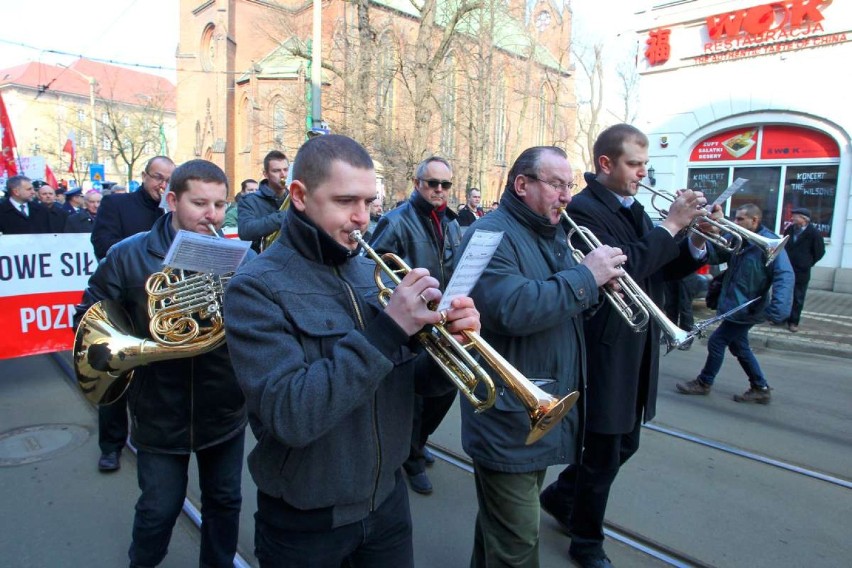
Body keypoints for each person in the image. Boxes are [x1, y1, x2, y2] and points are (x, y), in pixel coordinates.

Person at [223, 134, 480, 567]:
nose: (362, 218)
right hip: (306, 520)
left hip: (387, 503)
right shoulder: (255, 286)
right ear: (300, 196)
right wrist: (388, 330)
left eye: (368, 201)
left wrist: (448, 350)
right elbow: (291, 415)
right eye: (345, 202)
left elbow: (408, 382)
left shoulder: (370, 272)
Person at [539, 124, 711, 568]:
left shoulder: (632, 209)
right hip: (605, 348)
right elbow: (624, 270)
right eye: (634, 164)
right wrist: (671, 224)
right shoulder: (583, 210)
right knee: (603, 450)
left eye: (645, 165)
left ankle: (560, 495)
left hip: (640, 344)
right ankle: (586, 542)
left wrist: (692, 237)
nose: (642, 173)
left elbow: (662, 268)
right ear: (605, 164)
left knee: (626, 443)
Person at [73, 159, 249, 567]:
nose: (213, 216)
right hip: (158, 408)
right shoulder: (126, 255)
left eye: (221, 205)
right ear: (172, 200)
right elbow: (87, 319)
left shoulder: (238, 258)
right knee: (159, 507)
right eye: (200, 203)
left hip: (223, 405)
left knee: (224, 502)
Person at [460, 146, 626, 568]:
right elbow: (511, 308)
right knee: (517, 548)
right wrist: (585, 277)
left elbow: (558, 307)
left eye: (569, 186)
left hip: (536, 413)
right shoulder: (488, 235)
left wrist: (593, 292)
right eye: (556, 184)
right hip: (508, 417)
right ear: (522, 185)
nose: (567, 196)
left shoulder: (550, 235)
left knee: (502, 532)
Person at [369, 156, 463, 495]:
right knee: (415, 395)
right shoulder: (395, 221)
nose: (439, 190)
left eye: (445, 184)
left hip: (442, 317)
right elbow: (372, 271)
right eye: (432, 183)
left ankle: (419, 441)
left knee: (447, 387)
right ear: (417, 184)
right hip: (410, 322)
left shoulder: (452, 223)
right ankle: (409, 456)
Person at [89, 155, 175, 472]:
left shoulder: (173, 210)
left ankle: (151, 435)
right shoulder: (117, 205)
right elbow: (102, 244)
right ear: (144, 176)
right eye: (157, 177)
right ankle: (111, 446)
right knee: (115, 378)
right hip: (124, 305)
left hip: (162, 312)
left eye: (169, 180)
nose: (162, 184)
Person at [677, 203, 793, 404]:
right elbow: (714, 255)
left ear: (754, 220)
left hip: (748, 308)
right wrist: (706, 234)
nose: (735, 222)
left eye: (740, 219)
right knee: (739, 347)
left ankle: (704, 382)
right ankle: (760, 386)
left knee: (716, 341)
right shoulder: (739, 238)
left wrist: (778, 310)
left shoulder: (771, 243)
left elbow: (785, 275)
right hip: (733, 304)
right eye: (736, 218)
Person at [782, 207, 825, 332]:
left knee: (798, 297)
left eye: (795, 216)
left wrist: (808, 263)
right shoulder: (790, 229)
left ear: (804, 219)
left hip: (802, 271)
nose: (792, 218)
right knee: (785, 293)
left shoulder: (813, 233)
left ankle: (793, 322)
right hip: (788, 267)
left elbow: (820, 251)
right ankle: (781, 317)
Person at [237, 150, 289, 251]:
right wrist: (282, 216)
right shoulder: (249, 201)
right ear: (266, 174)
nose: (283, 175)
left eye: (286, 170)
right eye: (276, 171)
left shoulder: (294, 197)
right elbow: (245, 232)